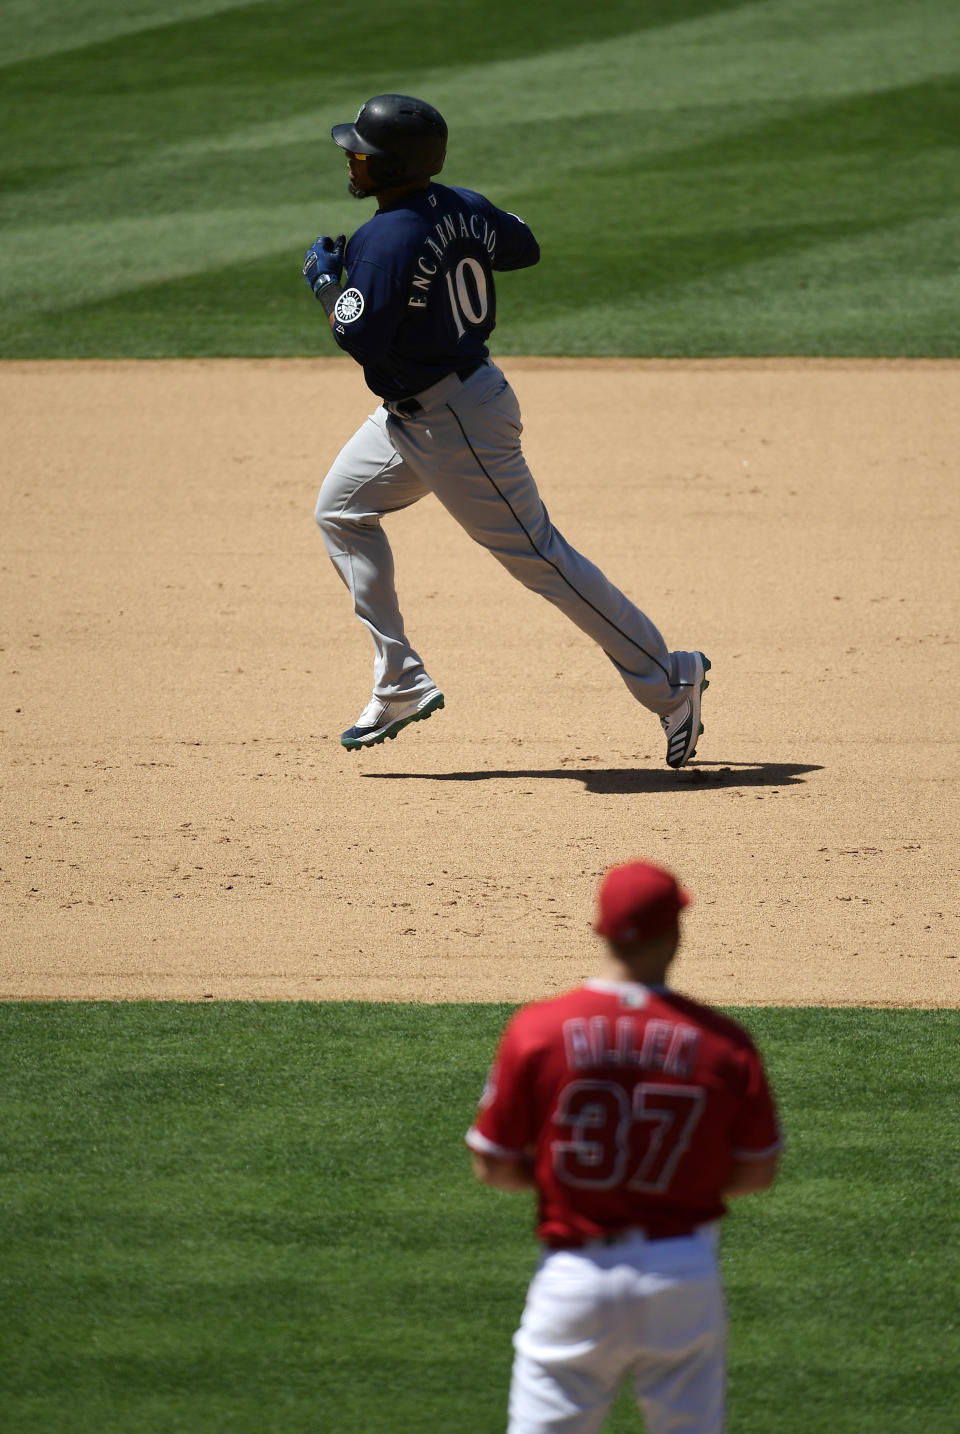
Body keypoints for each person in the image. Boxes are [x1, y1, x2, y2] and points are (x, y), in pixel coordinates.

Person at [303, 94, 709, 765]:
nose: (351, 161)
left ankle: (671, 680)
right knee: (342, 513)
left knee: (541, 558)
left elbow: (358, 339)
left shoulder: (383, 239)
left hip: (456, 423)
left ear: (392, 166)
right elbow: (521, 246)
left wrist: (326, 283)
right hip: (419, 414)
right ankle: (399, 680)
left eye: (362, 155)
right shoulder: (460, 203)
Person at [466, 859, 782, 1434]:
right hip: (681, 1273)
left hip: (575, 1276)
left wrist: (572, 1179)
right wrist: (678, 1179)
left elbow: (492, 1162)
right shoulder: (723, 1044)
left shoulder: (537, 1031)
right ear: (676, 932)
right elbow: (756, 1172)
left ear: (599, 929)